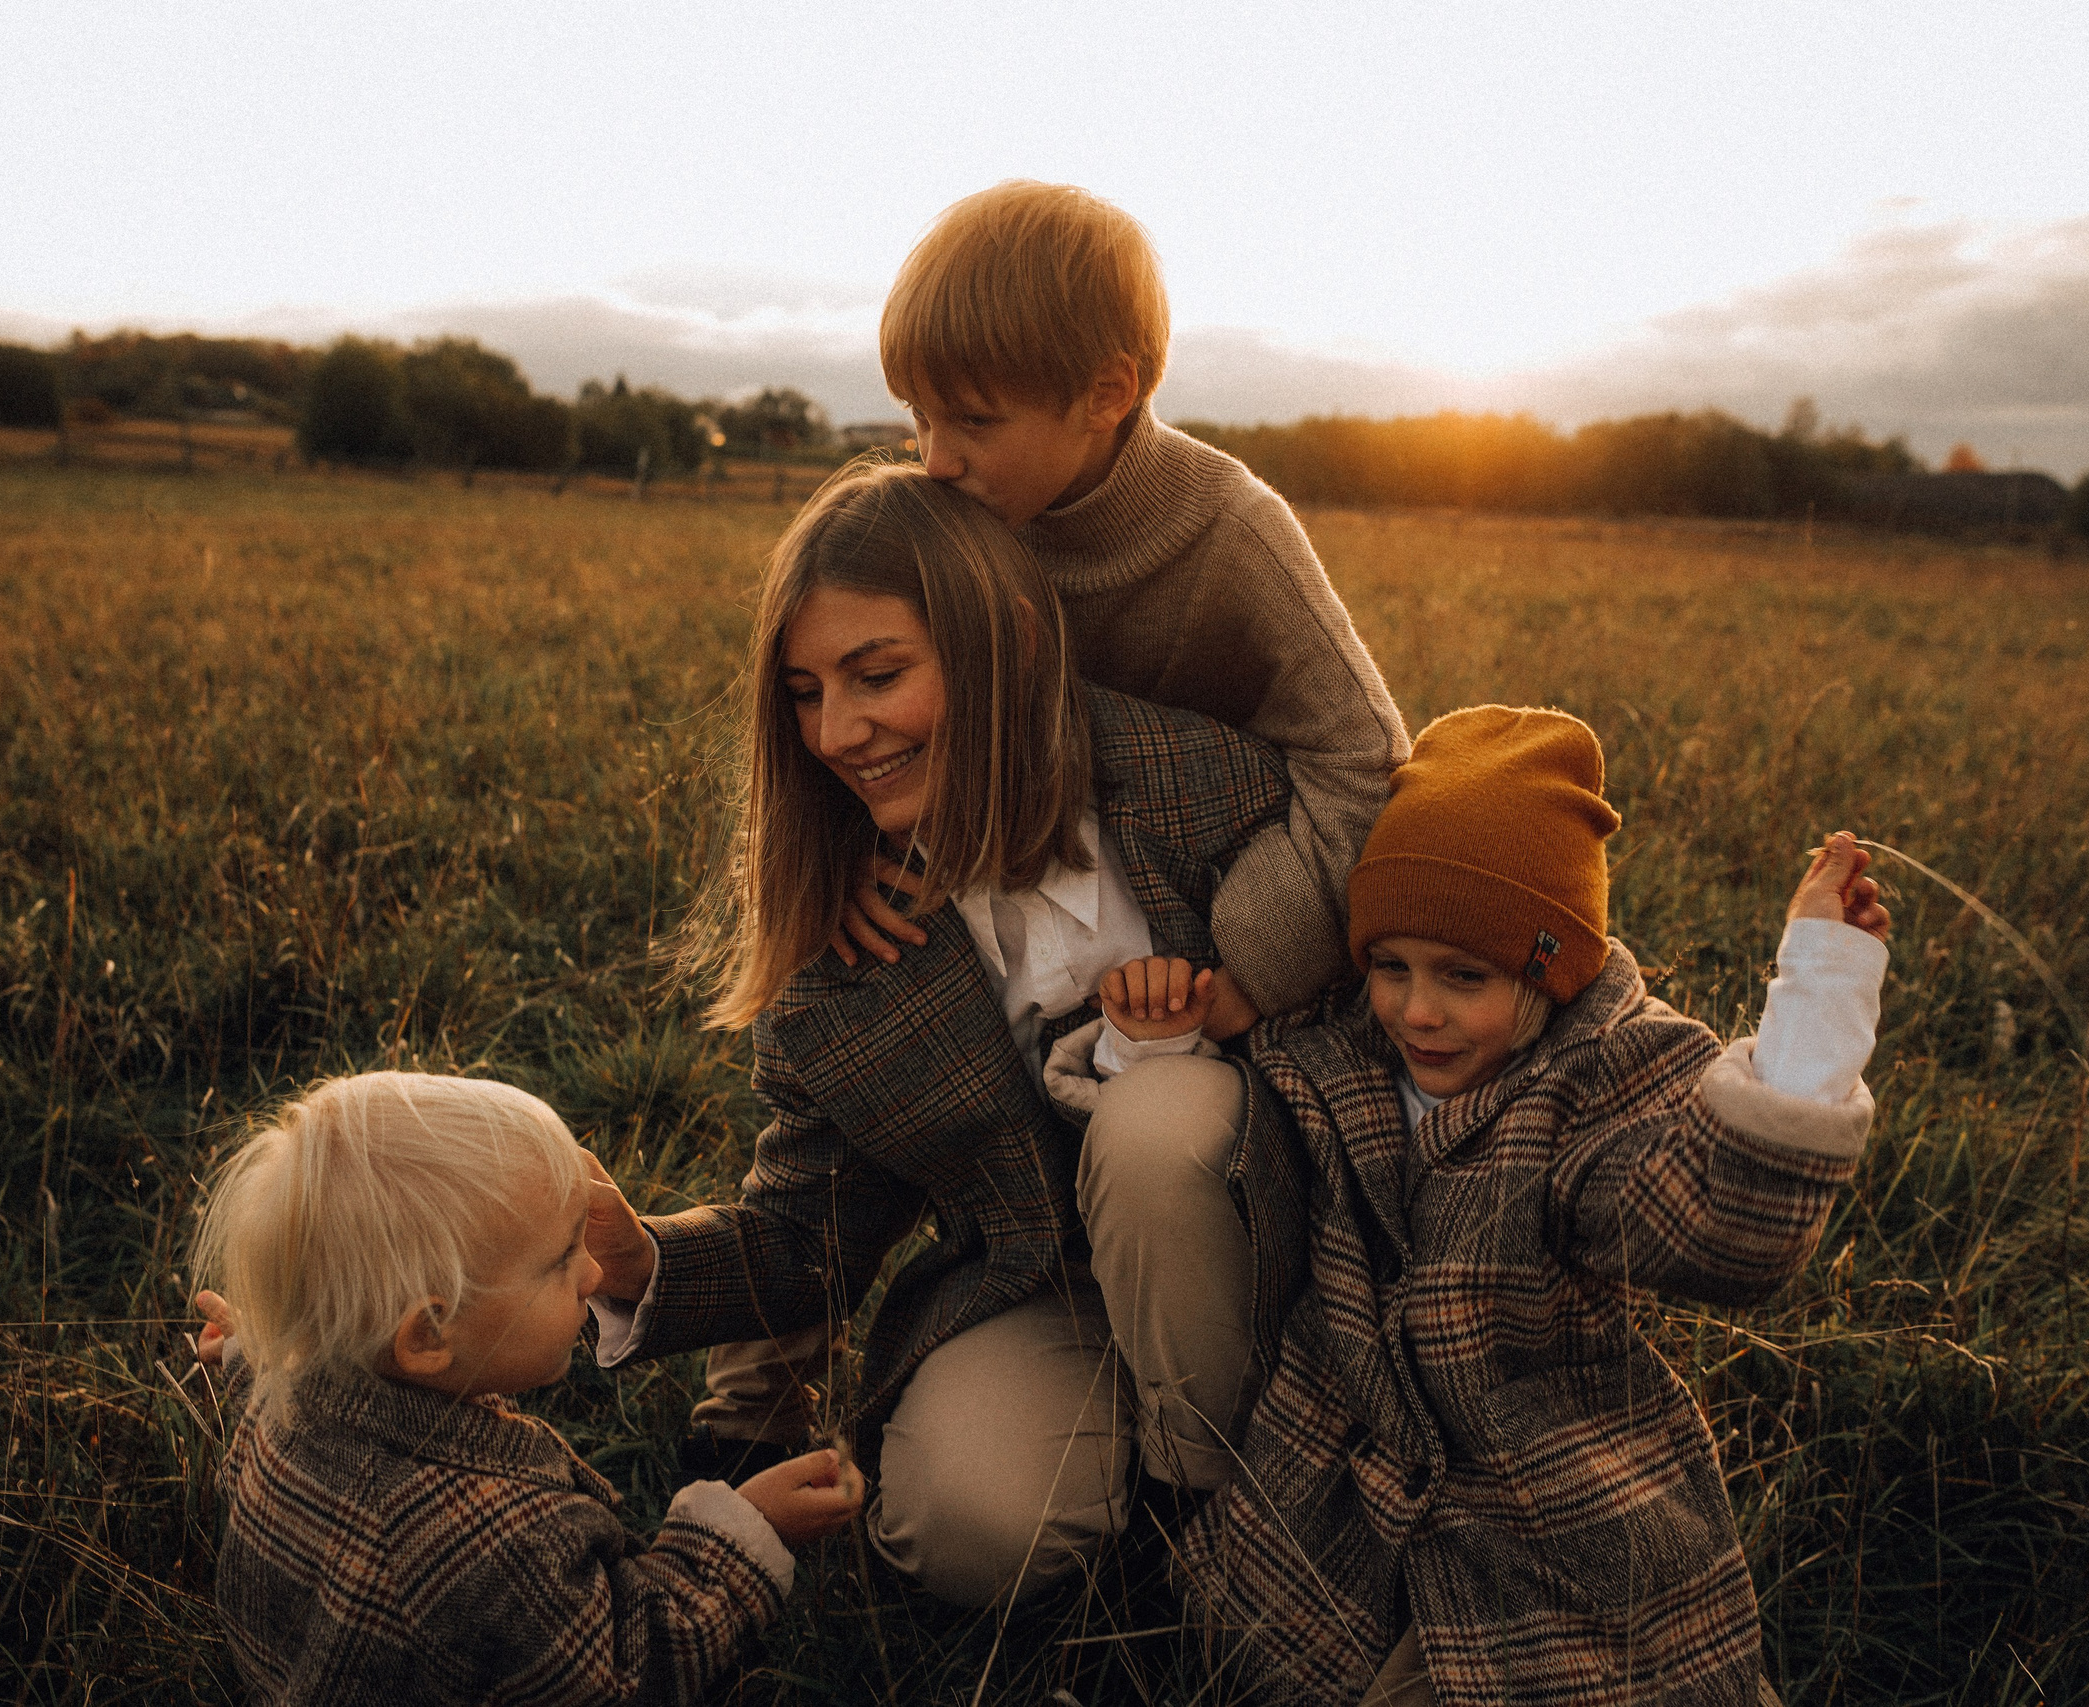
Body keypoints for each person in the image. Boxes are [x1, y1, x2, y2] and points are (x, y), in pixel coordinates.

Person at [686, 174, 1411, 1479]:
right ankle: (1013, 1428)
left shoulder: (1227, 533)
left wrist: (1243, 969)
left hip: (1206, 1003)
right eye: (917, 417)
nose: (935, 456)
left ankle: (1223, 1485)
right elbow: (851, 691)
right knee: (953, 1509)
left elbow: (1364, 761)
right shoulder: (964, 522)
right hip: (1008, 985)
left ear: (1107, 393)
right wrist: (852, 845)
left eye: (971, 418)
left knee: (1155, 1137)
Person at [590, 461, 1314, 1608]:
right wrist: (644, 1261)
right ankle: (1134, 1483)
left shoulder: (1200, 784)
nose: (838, 732)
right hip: (1052, 1285)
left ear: (1007, 645)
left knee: (1155, 1121)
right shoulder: (849, 946)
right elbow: (811, 1235)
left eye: (878, 675)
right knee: (960, 1527)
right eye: (805, 693)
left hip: (1276, 1255)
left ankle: (1205, 1518)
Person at [1067, 707, 1894, 1704]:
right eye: (1391, 967)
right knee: (1257, 1657)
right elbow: (1214, 1152)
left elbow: (1723, 1222)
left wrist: (1820, 991)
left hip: (1541, 1503)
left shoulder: (1591, 1086)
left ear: (1546, 970)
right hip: (1333, 1481)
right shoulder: (1333, 1049)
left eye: (1464, 977)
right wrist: (1154, 1040)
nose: (1418, 1010)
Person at [186, 1071, 857, 1706]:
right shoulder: (495, 1553)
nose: (594, 1273)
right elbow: (633, 1674)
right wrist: (747, 1532)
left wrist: (254, 1346)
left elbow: (276, 1369)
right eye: (562, 1258)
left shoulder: (284, 1395)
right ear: (428, 1335)